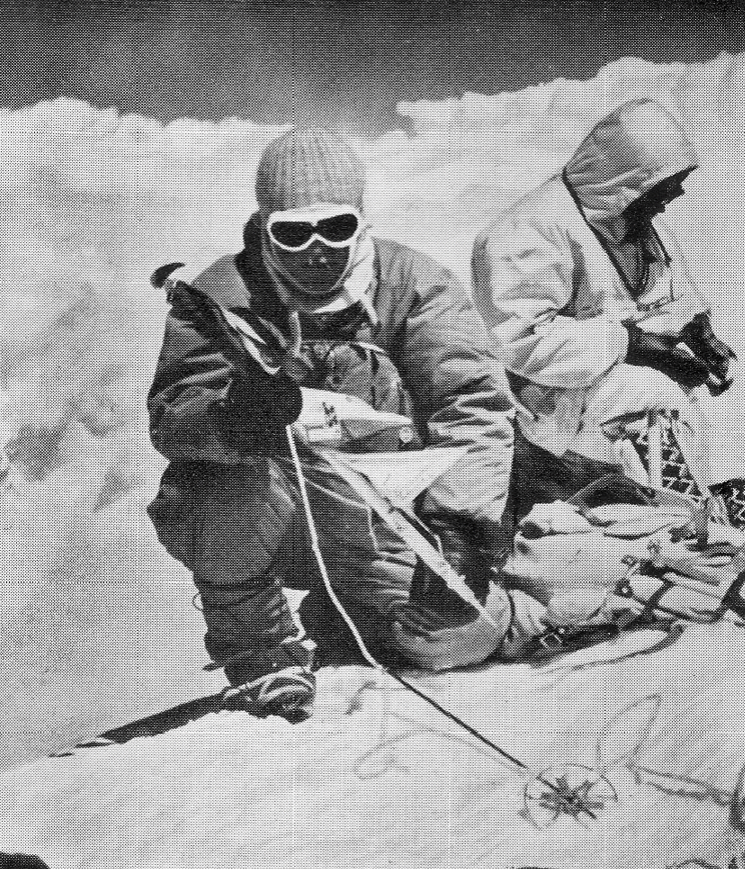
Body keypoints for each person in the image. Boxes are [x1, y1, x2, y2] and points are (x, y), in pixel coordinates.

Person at [146, 128, 553, 723]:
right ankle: (262, 654)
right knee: (210, 489)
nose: (316, 249)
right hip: (270, 511)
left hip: (387, 515)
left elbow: (471, 409)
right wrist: (233, 419)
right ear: (265, 225)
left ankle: (359, 610)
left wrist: (459, 530)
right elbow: (172, 423)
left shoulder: (415, 284)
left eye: (335, 227)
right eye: (292, 231)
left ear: (361, 220)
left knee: (452, 642)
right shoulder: (220, 297)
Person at [471, 98, 735, 523]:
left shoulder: (628, 214)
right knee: (649, 396)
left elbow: (668, 289)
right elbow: (521, 341)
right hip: (546, 392)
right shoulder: (521, 233)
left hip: (613, 377)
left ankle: (691, 505)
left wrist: (698, 334)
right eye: (666, 183)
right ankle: (667, 520)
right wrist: (635, 344)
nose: (677, 193)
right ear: (626, 179)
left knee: (678, 402)